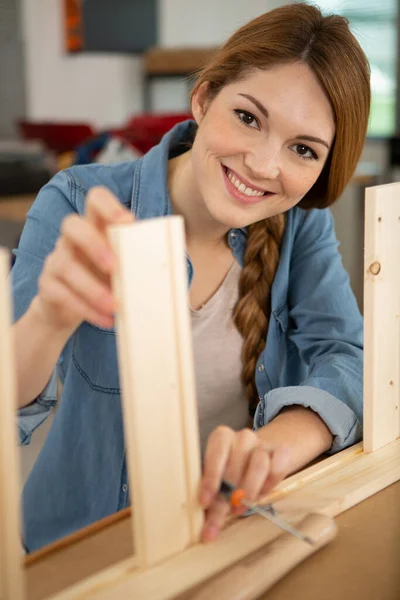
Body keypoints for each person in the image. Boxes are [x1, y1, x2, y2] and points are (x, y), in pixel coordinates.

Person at [12, 2, 370, 552]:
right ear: (203, 99)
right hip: (87, 544)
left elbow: (347, 355)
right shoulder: (79, 201)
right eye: (248, 118)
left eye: (303, 149)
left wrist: (274, 446)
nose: (264, 165)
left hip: (230, 535)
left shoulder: (302, 226)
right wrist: (47, 318)